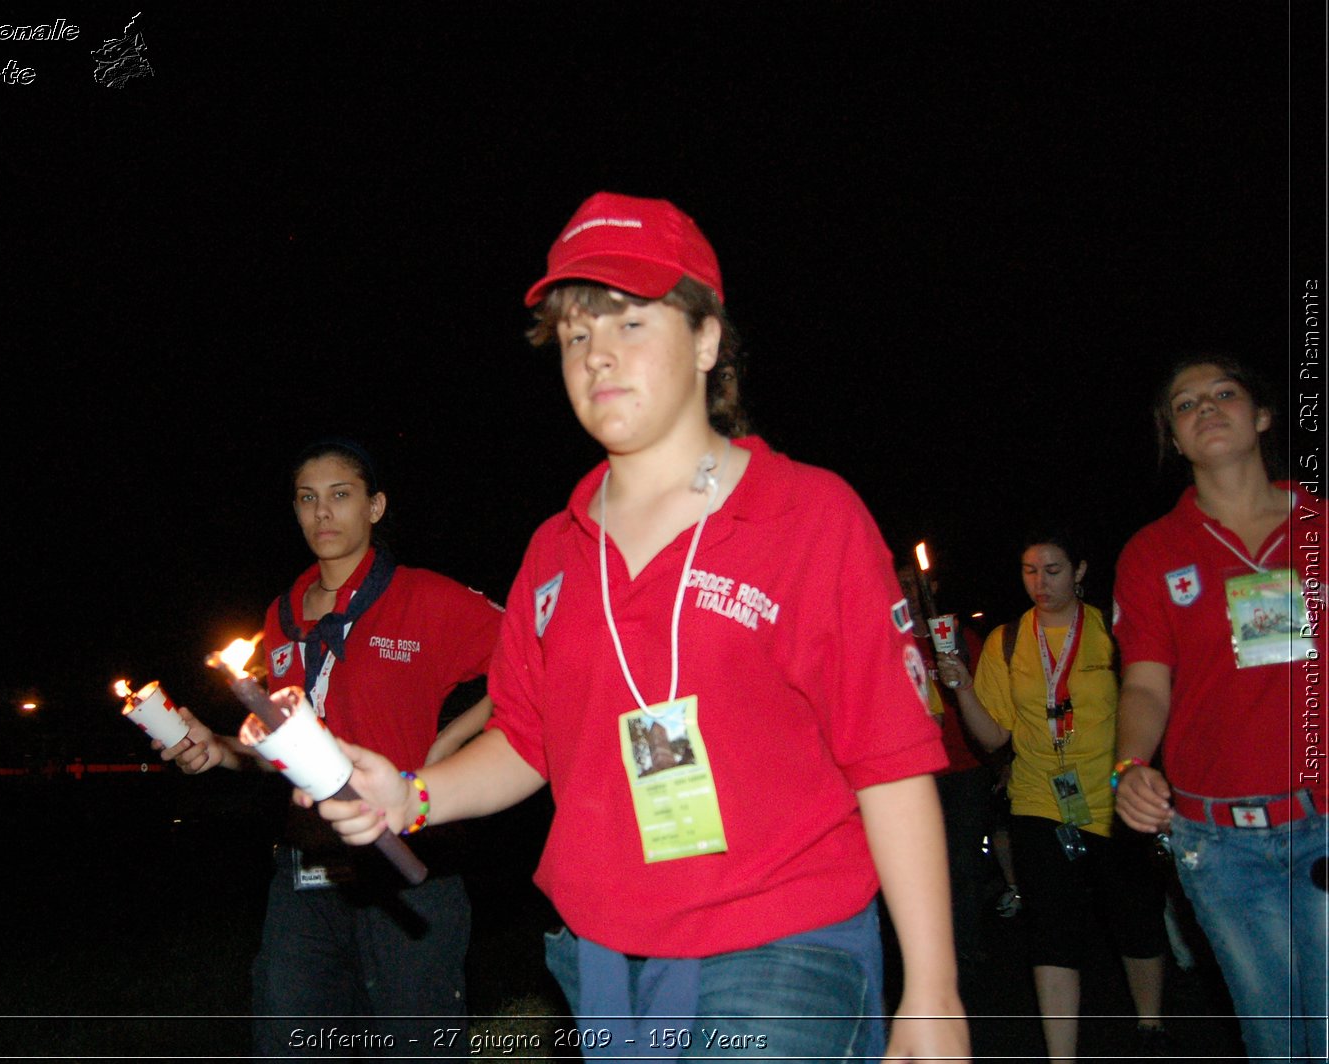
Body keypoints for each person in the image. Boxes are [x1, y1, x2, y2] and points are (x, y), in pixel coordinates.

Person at [313, 192, 968, 1061]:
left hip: (782, 941)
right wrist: (411, 793)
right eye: (577, 335)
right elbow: (527, 738)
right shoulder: (555, 552)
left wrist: (933, 987)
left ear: (705, 341)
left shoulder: (809, 516)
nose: (597, 357)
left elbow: (890, 760)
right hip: (607, 962)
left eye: (629, 322)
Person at [156, 438, 502, 1058]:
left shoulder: (426, 598)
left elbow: (536, 659)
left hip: (406, 868)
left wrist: (449, 743)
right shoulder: (281, 617)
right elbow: (282, 748)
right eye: (307, 499)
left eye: (340, 496)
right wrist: (220, 749)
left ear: (375, 507)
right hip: (305, 874)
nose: (323, 514)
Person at [1110, 357, 1326, 1062]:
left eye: (1224, 394)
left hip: (1324, 820)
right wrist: (1130, 764)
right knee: (1277, 1042)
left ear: (1261, 416)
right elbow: (1145, 685)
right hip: (1221, 844)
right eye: (1185, 404)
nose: (1206, 408)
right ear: (1173, 439)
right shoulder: (1152, 553)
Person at [938, 534, 1168, 1062]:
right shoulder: (1008, 640)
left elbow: (1147, 699)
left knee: (1133, 915)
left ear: (1080, 569)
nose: (1041, 583)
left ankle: (1151, 1026)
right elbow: (995, 737)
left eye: (1054, 570)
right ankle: (1059, 1054)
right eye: (1029, 571)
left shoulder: (1112, 628)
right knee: (1050, 931)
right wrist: (964, 688)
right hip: (1040, 799)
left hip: (1110, 797)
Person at [896, 562, 998, 966]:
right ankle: (932, 949)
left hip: (966, 767)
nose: (909, 591)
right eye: (901, 584)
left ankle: (968, 945)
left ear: (930, 586)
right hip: (922, 775)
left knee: (964, 861)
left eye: (914, 584)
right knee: (926, 865)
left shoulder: (961, 638)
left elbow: (990, 702)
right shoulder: (896, 642)